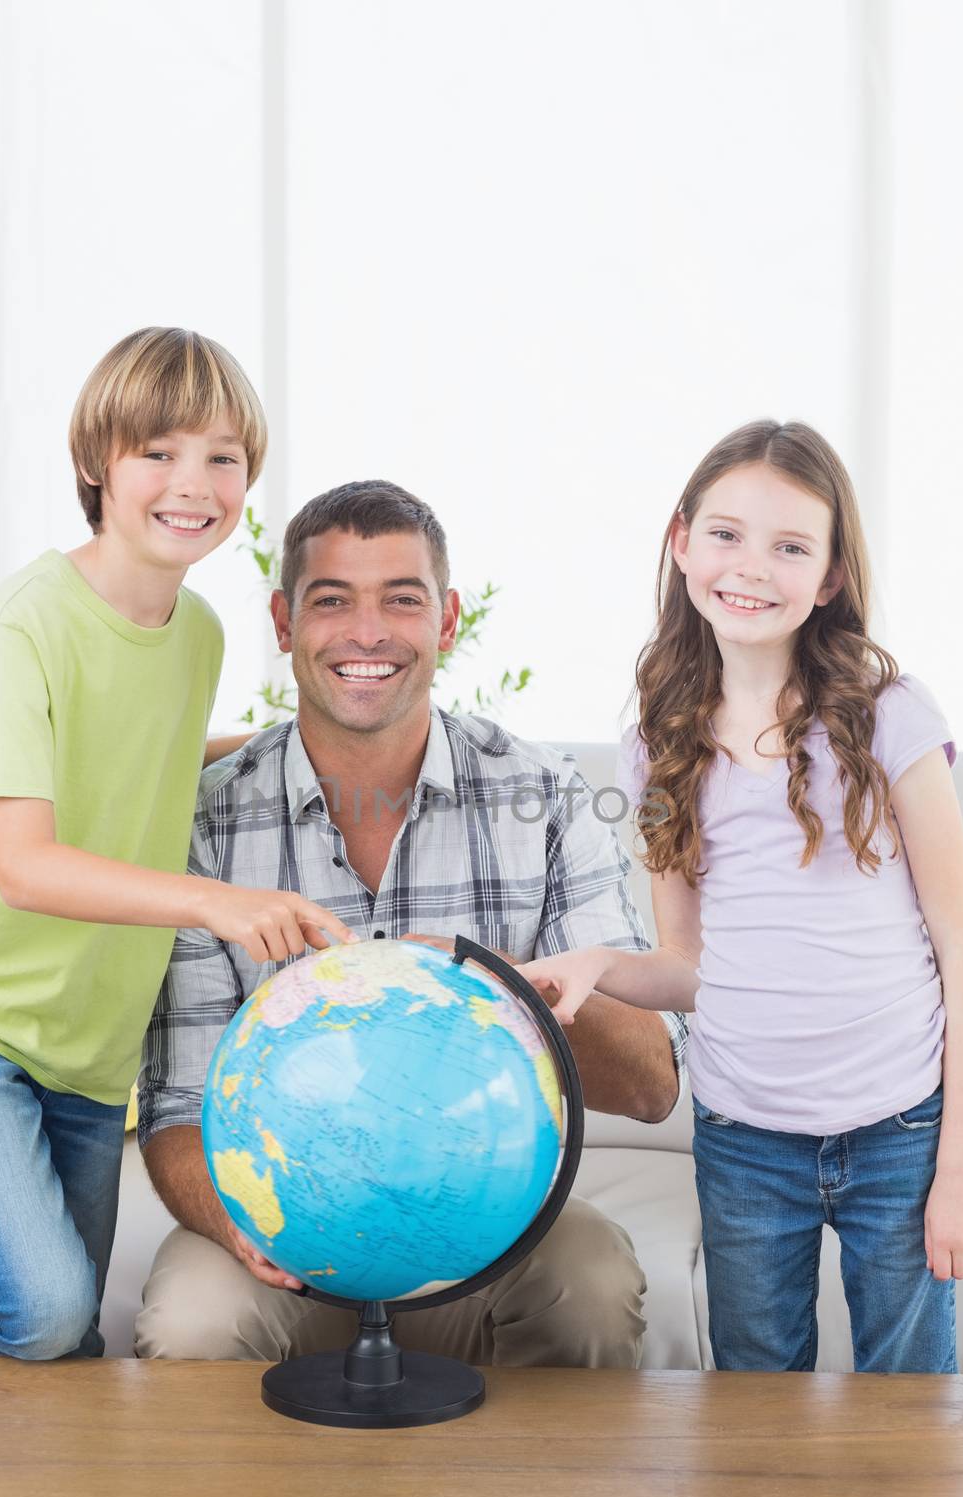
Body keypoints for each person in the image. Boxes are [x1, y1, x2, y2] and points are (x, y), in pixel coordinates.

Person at [136, 479, 686, 1369]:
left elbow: (651, 1084)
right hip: (289, 1242)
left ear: (449, 618)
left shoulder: (543, 799)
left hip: (490, 1234)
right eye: (331, 601)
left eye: (402, 598)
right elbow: (176, 1109)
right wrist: (247, 1237)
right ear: (282, 624)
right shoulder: (205, 823)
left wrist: (497, 986)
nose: (366, 632)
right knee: (192, 1320)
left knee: (591, 1284)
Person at [0, 327, 350, 1361]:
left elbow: (144, 749)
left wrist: (293, 739)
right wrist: (219, 903)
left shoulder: (195, 633)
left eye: (222, 458)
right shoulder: (25, 628)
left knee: (51, 1346)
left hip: (95, 1041)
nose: (192, 483)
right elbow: (24, 862)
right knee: (46, 1311)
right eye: (159, 452)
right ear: (98, 462)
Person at [520, 419, 963, 1373]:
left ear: (832, 575)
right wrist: (596, 964)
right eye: (725, 534)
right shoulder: (660, 738)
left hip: (901, 1130)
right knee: (755, 1423)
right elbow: (687, 969)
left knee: (910, 1420)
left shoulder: (892, 715)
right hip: (745, 1140)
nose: (750, 566)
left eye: (789, 546)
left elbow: (960, 953)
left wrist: (958, 1168)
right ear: (680, 542)